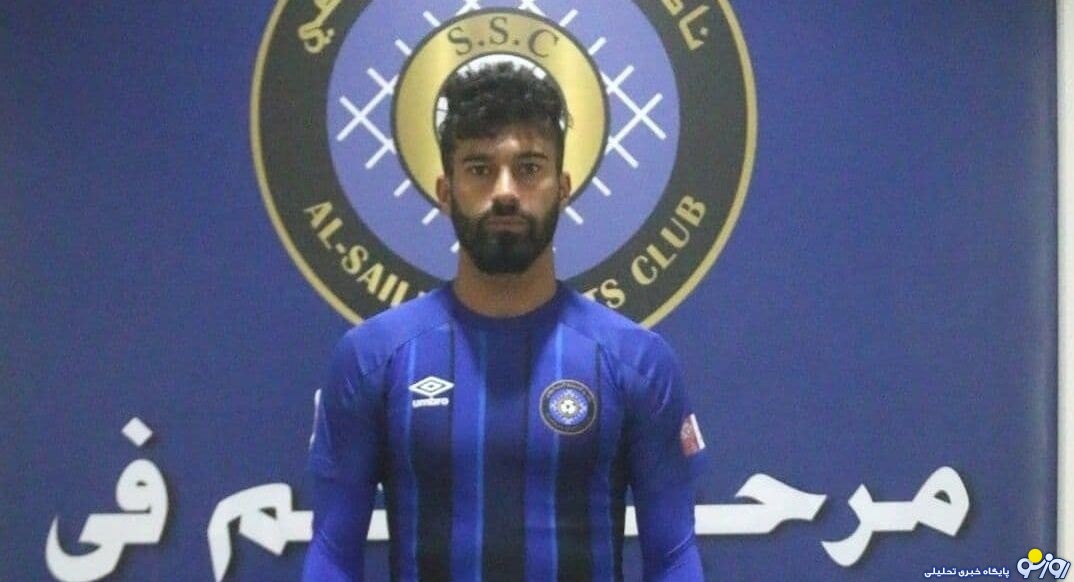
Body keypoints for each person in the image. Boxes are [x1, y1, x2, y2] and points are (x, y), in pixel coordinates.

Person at [303, 62, 707, 581]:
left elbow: (674, 557)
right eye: (479, 169)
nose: (506, 191)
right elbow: (333, 555)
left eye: (529, 168)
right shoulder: (373, 358)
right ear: (445, 191)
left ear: (563, 187)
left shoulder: (637, 362)